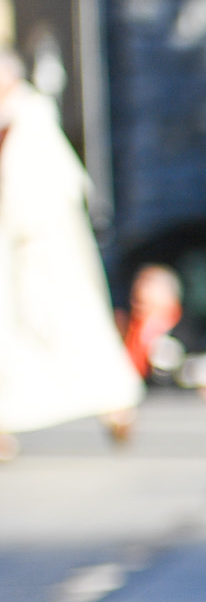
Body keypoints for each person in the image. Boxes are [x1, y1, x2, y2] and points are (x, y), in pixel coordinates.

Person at [0, 48, 141, 457]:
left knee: (74, 331)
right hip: (15, 253)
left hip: (43, 252)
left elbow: (40, 188)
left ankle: (115, 402)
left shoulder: (32, 119)